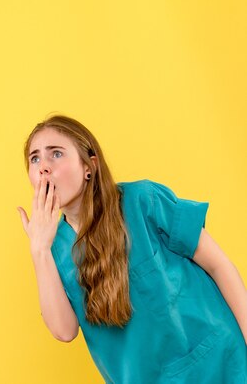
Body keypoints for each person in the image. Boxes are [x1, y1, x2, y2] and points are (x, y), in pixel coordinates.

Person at [16, 114, 247, 383]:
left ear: (89, 166)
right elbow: (64, 331)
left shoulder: (143, 201)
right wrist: (39, 250)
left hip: (223, 365)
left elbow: (218, 265)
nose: (43, 167)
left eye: (56, 153)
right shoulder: (54, 252)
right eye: (35, 159)